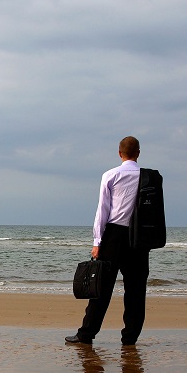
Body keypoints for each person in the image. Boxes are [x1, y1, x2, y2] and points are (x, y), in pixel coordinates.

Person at [66, 135, 151, 346]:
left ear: (120, 153)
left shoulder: (111, 175)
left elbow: (102, 210)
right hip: (139, 238)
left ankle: (86, 334)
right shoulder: (150, 177)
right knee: (136, 290)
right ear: (138, 153)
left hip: (114, 236)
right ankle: (130, 338)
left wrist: (97, 241)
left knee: (101, 288)